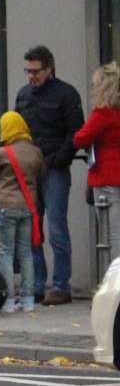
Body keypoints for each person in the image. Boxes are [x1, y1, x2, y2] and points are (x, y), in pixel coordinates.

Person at [14, 45, 84, 305]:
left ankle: (60, 286)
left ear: (49, 68)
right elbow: (18, 130)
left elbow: (75, 132)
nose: (31, 76)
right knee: (32, 228)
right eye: (28, 71)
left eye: (36, 71)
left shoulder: (65, 94)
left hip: (53, 168)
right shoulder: (24, 95)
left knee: (55, 228)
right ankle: (36, 285)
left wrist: (58, 160)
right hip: (32, 169)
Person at [0, 112, 46, 314]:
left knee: (6, 254)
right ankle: (27, 300)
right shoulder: (34, 152)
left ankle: (8, 299)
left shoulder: (3, 152)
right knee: (26, 253)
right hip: (28, 207)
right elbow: (42, 172)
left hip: (6, 206)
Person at [72, 62, 120, 256]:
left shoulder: (102, 113)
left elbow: (79, 139)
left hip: (106, 176)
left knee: (113, 232)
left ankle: (116, 280)